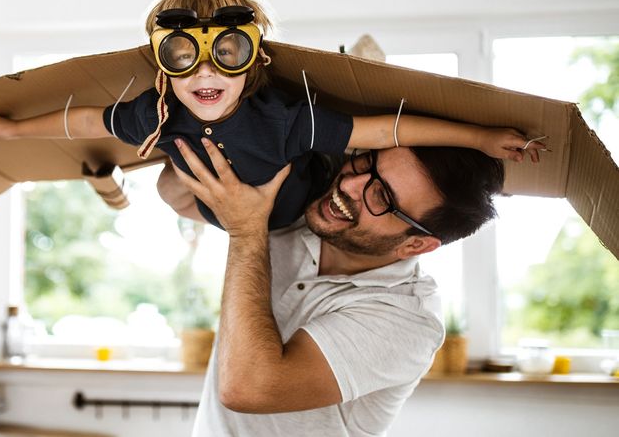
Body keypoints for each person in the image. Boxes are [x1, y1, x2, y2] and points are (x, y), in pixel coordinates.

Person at [0, 0, 542, 231]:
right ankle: (129, 193)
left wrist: (479, 137)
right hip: (213, 212)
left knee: (185, 180)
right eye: (186, 54)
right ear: (165, 60)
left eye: (229, 51)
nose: (207, 73)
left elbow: (386, 129)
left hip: (292, 215)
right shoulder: (160, 110)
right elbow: (86, 118)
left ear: (255, 60)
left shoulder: (286, 119)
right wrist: (13, 130)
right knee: (168, 189)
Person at [172, 136, 505, 436]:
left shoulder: (408, 321)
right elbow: (179, 196)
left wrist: (247, 230)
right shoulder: (306, 207)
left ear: (415, 246)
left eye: (381, 196)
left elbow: (248, 388)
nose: (351, 184)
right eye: (366, 162)